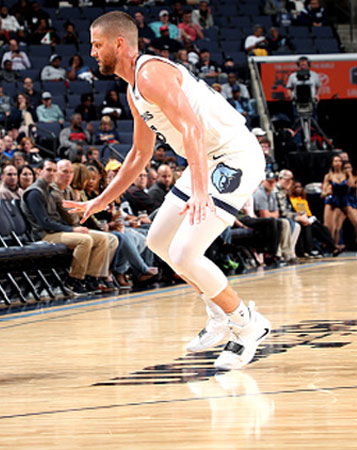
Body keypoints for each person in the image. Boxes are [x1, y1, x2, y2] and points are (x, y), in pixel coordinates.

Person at [65, 12, 271, 371]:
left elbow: (191, 127)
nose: (92, 52)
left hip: (234, 156)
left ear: (119, 44)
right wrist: (100, 200)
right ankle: (218, 312)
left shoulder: (151, 74)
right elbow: (139, 155)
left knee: (185, 251)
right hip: (206, 159)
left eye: (97, 45)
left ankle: (246, 324)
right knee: (159, 241)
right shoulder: (134, 88)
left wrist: (201, 190)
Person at [21, 160, 110, 295]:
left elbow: (57, 218)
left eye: (54, 170)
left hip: (56, 231)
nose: (52, 173)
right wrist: (72, 230)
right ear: (39, 172)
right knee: (84, 240)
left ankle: (91, 279)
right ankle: (74, 281)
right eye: (48, 170)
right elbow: (45, 222)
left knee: (102, 239)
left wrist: (73, 227)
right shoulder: (35, 192)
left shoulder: (49, 190)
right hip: (44, 235)